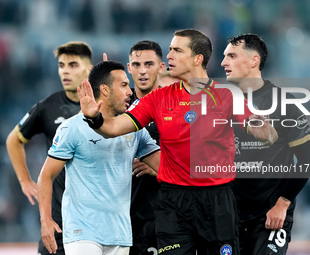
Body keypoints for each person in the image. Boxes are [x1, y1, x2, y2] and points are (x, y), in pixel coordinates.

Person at [78, 29, 278, 255]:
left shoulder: (227, 95)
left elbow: (265, 134)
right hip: (173, 203)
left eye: (177, 50)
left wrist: (266, 129)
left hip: (217, 201)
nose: (169, 55)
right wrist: (93, 117)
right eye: (170, 50)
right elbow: (112, 128)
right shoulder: (158, 98)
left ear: (197, 58)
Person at [37, 60, 161, 255]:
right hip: (82, 233)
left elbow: (165, 166)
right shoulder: (73, 127)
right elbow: (46, 175)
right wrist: (46, 220)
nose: (130, 91)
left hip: (120, 234)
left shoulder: (136, 131)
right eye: (123, 85)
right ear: (104, 89)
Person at [221, 33, 310, 255]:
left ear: (254, 60)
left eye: (232, 56)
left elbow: (306, 161)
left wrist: (282, 204)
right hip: (228, 214)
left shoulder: (285, 102)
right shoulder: (218, 104)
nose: (223, 62)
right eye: (224, 56)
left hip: (270, 214)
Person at [6, 41, 93, 255]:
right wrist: (25, 179)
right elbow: (13, 140)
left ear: (89, 68)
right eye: (61, 65)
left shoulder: (105, 105)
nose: (65, 70)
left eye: (72, 65)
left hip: (95, 217)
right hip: (58, 216)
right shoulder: (47, 107)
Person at [127, 40, 165, 255]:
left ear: (161, 67)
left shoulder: (175, 105)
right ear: (128, 67)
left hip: (159, 214)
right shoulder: (116, 107)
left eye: (149, 64)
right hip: (119, 216)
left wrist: (160, 165)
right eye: (136, 64)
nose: (142, 71)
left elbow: (197, 157)